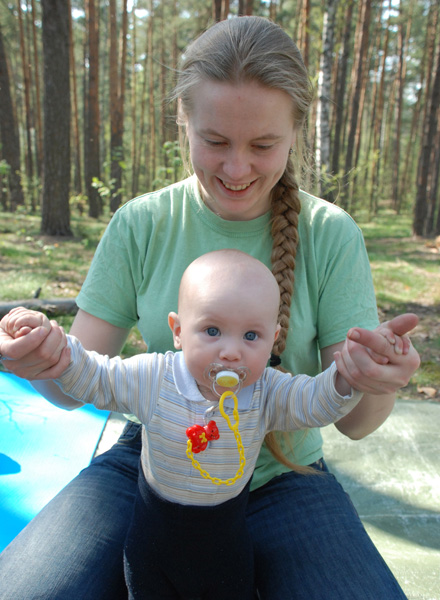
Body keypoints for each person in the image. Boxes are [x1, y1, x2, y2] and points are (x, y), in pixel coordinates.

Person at [0, 15, 420, 600]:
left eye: (263, 145)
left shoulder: (330, 234)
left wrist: (372, 379)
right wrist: (42, 358)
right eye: (216, 141)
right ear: (183, 120)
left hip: (286, 477)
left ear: (295, 131)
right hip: (153, 463)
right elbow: (76, 384)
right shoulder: (141, 224)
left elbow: (353, 420)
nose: (237, 168)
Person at [1, 249, 396, 598]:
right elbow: (96, 376)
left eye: (251, 336)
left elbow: (313, 402)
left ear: (274, 339)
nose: (231, 351)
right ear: (177, 331)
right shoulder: (154, 378)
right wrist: (55, 348)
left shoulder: (267, 391)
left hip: (225, 543)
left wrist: (348, 376)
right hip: (153, 540)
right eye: (212, 331)